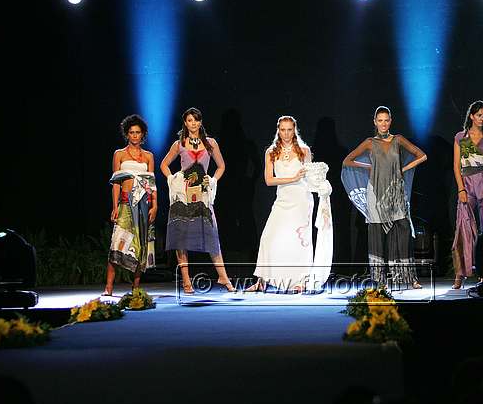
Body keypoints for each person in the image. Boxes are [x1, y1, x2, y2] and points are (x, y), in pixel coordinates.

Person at [342, 106, 427, 289]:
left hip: (396, 192)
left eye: (386, 120)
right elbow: (347, 161)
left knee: (403, 232)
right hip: (376, 193)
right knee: (377, 236)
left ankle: (408, 277)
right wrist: (368, 167)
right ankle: (380, 280)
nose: (383, 124)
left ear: (390, 121)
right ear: (375, 122)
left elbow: (422, 156)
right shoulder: (370, 142)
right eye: (380, 120)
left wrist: (403, 169)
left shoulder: (398, 139)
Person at [247, 115, 333, 293]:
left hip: (302, 200)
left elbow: (310, 178)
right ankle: (262, 281)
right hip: (283, 200)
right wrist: (292, 178)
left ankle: (301, 281)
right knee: (268, 238)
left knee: (300, 241)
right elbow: (269, 180)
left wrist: (323, 187)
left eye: (289, 130)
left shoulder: (304, 150)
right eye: (283, 130)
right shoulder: (271, 152)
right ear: (278, 131)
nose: (286, 133)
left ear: (295, 130)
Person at [160, 107, 235, 293]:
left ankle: (223, 277)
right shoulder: (179, 144)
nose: (193, 123)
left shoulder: (210, 143)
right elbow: (164, 165)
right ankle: (186, 281)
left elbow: (221, 166)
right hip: (183, 196)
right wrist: (173, 179)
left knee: (211, 233)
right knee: (181, 238)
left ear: (200, 122)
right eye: (189, 120)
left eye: (196, 120)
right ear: (185, 123)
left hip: (202, 194)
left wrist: (213, 179)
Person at [104, 114, 157, 296]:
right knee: (117, 244)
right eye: (132, 132)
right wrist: (115, 206)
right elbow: (116, 184)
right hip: (125, 203)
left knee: (140, 244)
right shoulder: (119, 154)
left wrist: (155, 205)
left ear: (143, 135)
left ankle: (135, 287)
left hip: (143, 204)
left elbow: (151, 184)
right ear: (127, 134)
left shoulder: (148, 156)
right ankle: (108, 288)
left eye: (138, 132)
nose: (135, 135)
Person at [451, 100, 483, 289]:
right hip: (467, 185)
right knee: (463, 227)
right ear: (471, 116)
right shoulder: (460, 137)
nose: (482, 118)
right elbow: (456, 166)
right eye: (479, 115)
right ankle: (460, 273)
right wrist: (461, 189)